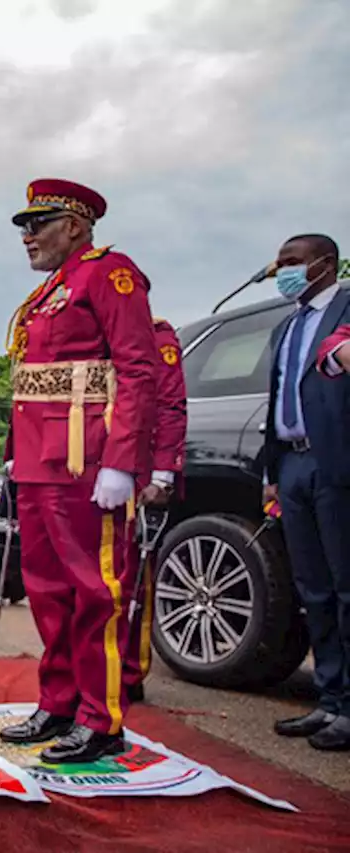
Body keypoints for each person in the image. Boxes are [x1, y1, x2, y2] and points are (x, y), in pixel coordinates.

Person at [0, 178, 158, 764]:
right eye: (23, 226)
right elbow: (37, 383)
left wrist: (121, 463)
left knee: (96, 591)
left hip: (86, 462)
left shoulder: (108, 274)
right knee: (45, 590)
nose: (27, 236)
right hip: (41, 463)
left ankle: (101, 718)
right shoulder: (49, 292)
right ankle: (59, 702)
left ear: (76, 224)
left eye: (38, 223)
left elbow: (138, 370)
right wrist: (20, 451)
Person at [262, 234, 350, 751]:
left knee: (346, 587)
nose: (283, 272)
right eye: (280, 264)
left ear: (325, 264)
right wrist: (269, 472)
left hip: (335, 461)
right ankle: (330, 698)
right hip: (291, 464)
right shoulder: (287, 326)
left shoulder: (345, 308)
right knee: (312, 588)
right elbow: (280, 397)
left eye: (292, 263)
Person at [123, 316, 187, 703]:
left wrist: (162, 474)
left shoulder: (156, 337)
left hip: (137, 473)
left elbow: (170, 406)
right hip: (91, 471)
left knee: (131, 581)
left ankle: (129, 671)